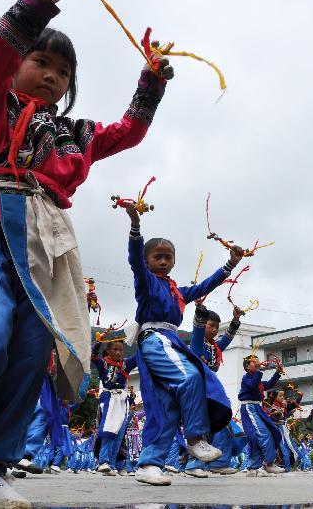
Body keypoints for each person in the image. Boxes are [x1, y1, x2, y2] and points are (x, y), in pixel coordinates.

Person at [0, 0, 174, 509]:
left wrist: (152, 78)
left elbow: (130, 131)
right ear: (19, 65)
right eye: (40, 61)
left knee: (32, 352)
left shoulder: (77, 134)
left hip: (49, 244)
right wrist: (38, 3)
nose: (51, 75)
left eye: (63, 71)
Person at [122, 204, 242, 485]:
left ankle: (149, 464)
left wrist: (231, 264)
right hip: (155, 339)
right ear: (147, 259)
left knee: (168, 408)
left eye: (168, 257)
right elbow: (134, 262)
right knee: (191, 377)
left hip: (171, 340)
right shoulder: (147, 282)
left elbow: (205, 287)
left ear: (174, 261)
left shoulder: (177, 290)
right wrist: (135, 228)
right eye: (157, 257)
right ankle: (197, 437)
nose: (163, 261)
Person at [185, 303, 245, 476]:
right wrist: (200, 312)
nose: (214, 330)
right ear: (203, 325)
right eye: (211, 326)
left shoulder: (215, 347)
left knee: (223, 425)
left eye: (216, 327)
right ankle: (193, 464)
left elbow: (226, 338)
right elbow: (197, 331)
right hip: (199, 388)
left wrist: (235, 320)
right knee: (200, 426)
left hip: (213, 389)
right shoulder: (197, 344)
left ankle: (219, 463)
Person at [91, 336, 137, 475]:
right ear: (108, 350)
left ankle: (111, 464)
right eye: (115, 349)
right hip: (109, 397)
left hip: (122, 399)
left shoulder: (126, 364)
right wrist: (99, 342)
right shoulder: (102, 363)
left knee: (120, 434)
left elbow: (138, 356)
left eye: (121, 350)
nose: (118, 352)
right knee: (109, 430)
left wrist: (139, 338)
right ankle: (103, 461)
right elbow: (93, 355)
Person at [238, 356, 286, 477]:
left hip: (256, 408)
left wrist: (278, 373)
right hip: (249, 407)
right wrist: (259, 371)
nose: (258, 362)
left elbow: (268, 384)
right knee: (262, 435)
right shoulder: (246, 379)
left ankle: (255, 466)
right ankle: (268, 464)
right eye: (254, 361)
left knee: (268, 433)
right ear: (247, 366)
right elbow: (253, 384)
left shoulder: (256, 379)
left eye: (257, 360)